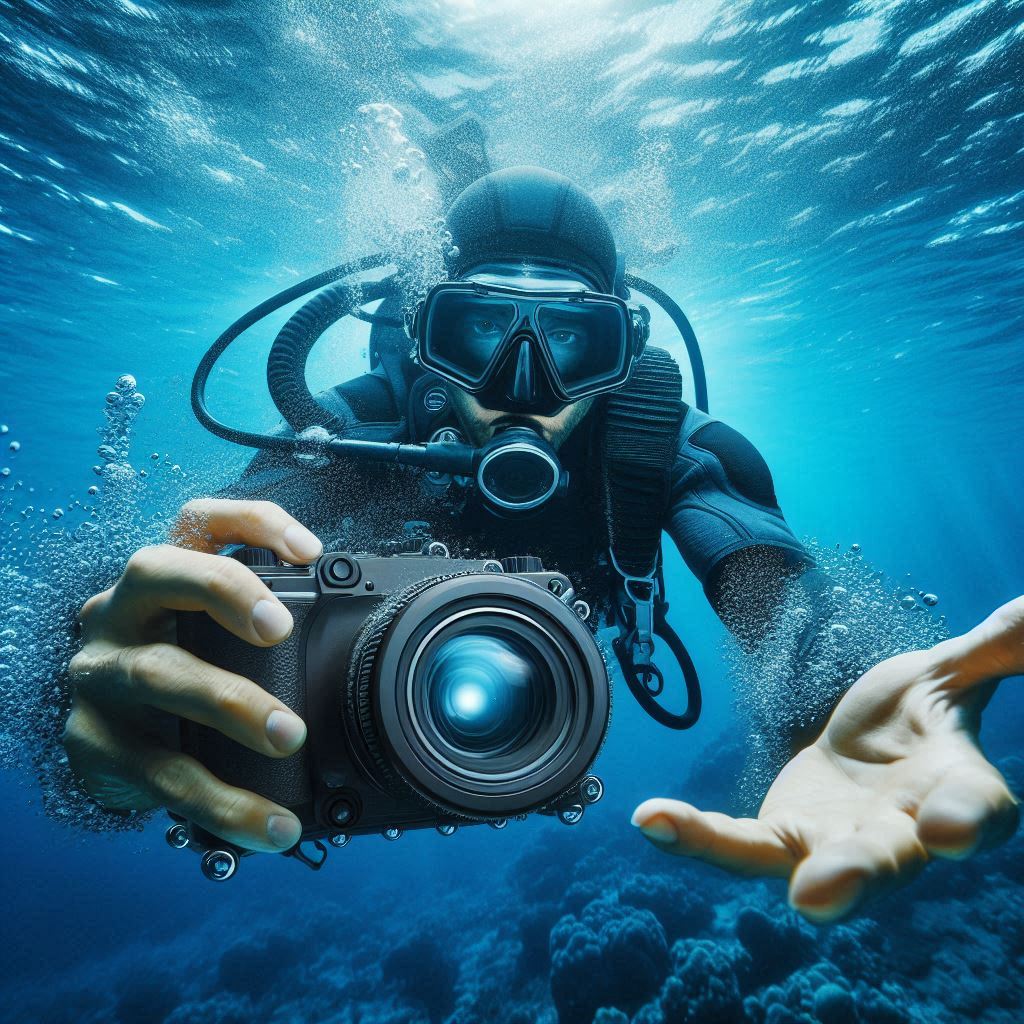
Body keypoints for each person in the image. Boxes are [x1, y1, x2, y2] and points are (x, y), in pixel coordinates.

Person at [61, 166, 1020, 922]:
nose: (525, 382)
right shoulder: (366, 429)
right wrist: (97, 688)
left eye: (574, 341)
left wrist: (832, 700)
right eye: (479, 328)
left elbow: (768, 579)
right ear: (425, 336)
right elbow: (183, 585)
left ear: (624, 348)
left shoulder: (664, 448)